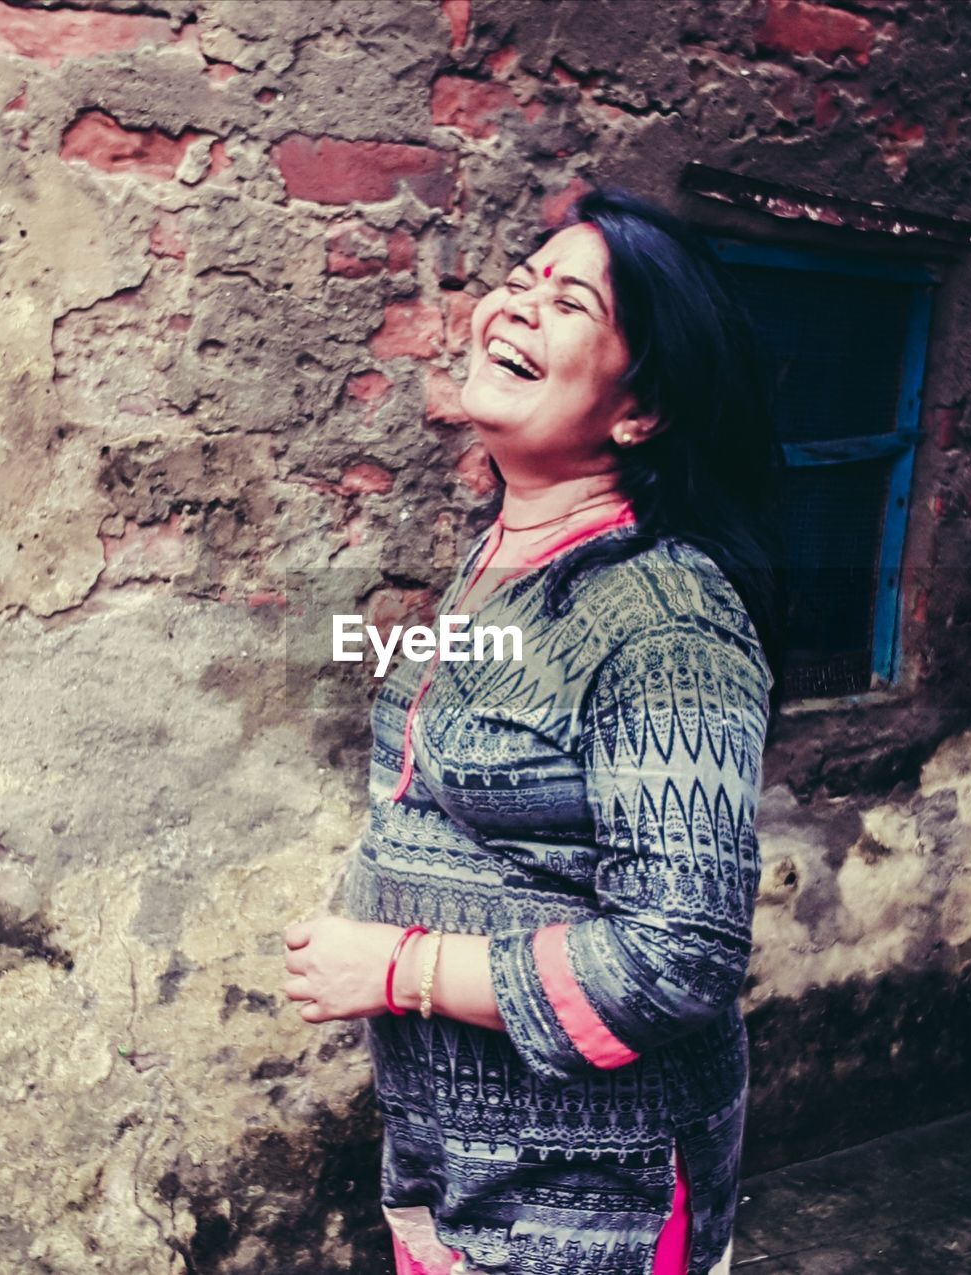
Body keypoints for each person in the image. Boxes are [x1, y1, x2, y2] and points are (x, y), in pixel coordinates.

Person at [283, 187, 786, 1275]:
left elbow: (675, 958)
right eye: (517, 281)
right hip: (455, 1161)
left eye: (564, 303)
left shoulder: (663, 617)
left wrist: (398, 965)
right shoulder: (502, 560)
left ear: (639, 411)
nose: (513, 308)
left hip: (585, 1197)